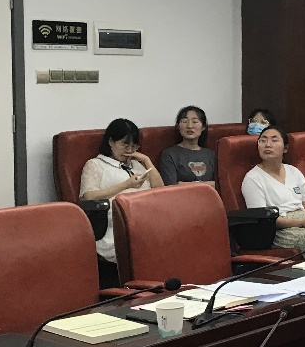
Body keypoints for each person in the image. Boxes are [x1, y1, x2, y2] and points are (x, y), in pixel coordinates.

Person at [79, 118, 165, 286]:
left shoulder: (137, 165)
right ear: (111, 142)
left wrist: (147, 161)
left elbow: (161, 191)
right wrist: (126, 185)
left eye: (134, 146)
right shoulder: (95, 165)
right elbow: (87, 197)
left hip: (147, 221)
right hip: (115, 223)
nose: (130, 150)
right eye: (125, 145)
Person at [240, 127, 305, 251]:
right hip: (278, 228)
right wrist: (300, 223)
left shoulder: (294, 171)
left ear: (285, 148)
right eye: (263, 140)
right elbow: (263, 220)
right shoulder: (253, 178)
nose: (267, 145)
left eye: (274, 140)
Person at [159, 105, 216, 186]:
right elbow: (171, 186)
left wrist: (184, 184)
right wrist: (208, 184)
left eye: (195, 122)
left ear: (203, 127)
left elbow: (221, 185)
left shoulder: (211, 155)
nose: (189, 126)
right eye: (185, 121)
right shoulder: (169, 154)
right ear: (178, 126)